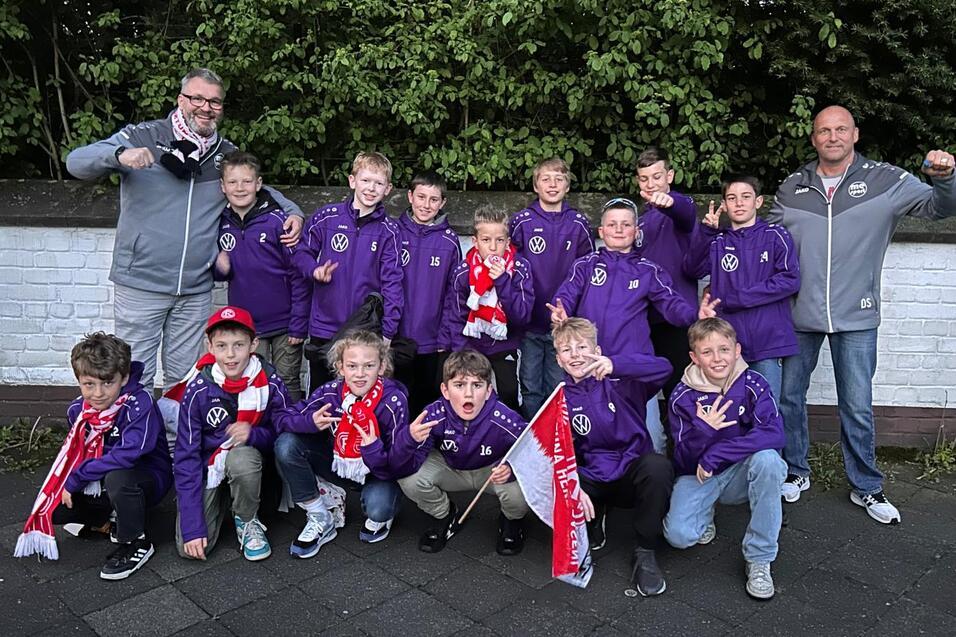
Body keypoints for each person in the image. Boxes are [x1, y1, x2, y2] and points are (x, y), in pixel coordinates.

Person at [65, 68, 303, 396]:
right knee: (135, 377)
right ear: (181, 100)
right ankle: (138, 447)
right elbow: (76, 162)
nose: (206, 107)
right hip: (141, 283)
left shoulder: (224, 153)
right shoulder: (143, 135)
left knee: (183, 381)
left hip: (194, 289)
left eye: (215, 102)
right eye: (198, 98)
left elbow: (253, 188)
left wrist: (294, 213)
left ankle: (178, 447)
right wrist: (119, 154)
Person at [769, 105, 956, 523]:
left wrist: (945, 179)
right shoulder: (792, 186)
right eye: (823, 131)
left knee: (856, 403)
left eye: (840, 129)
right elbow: (764, 243)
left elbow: (941, 208)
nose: (832, 137)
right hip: (798, 315)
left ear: (855, 134)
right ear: (814, 138)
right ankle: (795, 472)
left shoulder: (886, 181)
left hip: (857, 314)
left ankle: (867, 487)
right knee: (789, 397)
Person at [549, 198, 718, 451]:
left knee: (652, 443)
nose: (619, 229)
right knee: (588, 443)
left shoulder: (648, 270)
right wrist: (558, 311)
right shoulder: (585, 265)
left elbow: (672, 304)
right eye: (612, 224)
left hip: (632, 373)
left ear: (636, 231)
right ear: (601, 231)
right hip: (589, 370)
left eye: (626, 224)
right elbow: (565, 298)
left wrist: (696, 315)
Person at [14, 333, 172, 581]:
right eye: (89, 384)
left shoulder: (140, 404)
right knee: (52, 506)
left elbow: (128, 455)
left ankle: (137, 542)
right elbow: (76, 454)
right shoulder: (78, 410)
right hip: (103, 477)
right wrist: (65, 484)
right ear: (79, 381)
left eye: (108, 383)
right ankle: (107, 521)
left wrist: (78, 478)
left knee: (118, 478)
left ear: (125, 377)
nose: (98, 393)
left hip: (146, 477)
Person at [664, 318, 787, 599]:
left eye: (724, 349)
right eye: (707, 352)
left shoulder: (754, 383)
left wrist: (718, 452)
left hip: (739, 472)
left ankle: (759, 558)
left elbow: (774, 434)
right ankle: (705, 511)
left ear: (737, 350)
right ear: (694, 357)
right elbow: (682, 459)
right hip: (699, 473)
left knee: (769, 461)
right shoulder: (682, 395)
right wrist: (704, 430)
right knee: (679, 536)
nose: (717, 359)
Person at [552, 318, 674, 597]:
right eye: (566, 350)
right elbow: (556, 453)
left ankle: (645, 551)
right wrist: (572, 485)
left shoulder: (622, 381)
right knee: (562, 480)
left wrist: (617, 365)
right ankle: (594, 520)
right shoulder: (559, 400)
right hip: (593, 477)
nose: (576, 355)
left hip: (631, 473)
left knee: (658, 467)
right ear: (558, 360)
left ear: (597, 351)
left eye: (582, 346)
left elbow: (665, 368)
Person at [274, 330, 411, 557]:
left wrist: (373, 446)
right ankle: (321, 513)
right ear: (340, 368)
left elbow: (400, 460)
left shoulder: (393, 400)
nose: (360, 374)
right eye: (352, 366)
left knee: (378, 510)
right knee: (286, 444)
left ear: (382, 366)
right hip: (339, 465)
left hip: (377, 472)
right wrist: (309, 422)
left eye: (368, 366)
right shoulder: (331, 393)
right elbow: (280, 419)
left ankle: (380, 511)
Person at [172, 306, 293, 562]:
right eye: (222, 345)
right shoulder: (197, 390)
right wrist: (193, 526)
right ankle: (221, 497)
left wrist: (253, 434)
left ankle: (246, 519)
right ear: (210, 346)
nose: (230, 354)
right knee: (189, 549)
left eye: (239, 345)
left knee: (241, 458)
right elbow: (186, 456)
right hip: (210, 467)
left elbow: (285, 432)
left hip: (253, 466)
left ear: (254, 344)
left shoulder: (270, 381)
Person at [395, 350, 529, 555]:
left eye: (477, 385)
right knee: (410, 478)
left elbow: (530, 450)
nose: (469, 394)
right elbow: (406, 462)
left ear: (488, 390)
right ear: (445, 390)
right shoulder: (433, 414)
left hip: (491, 472)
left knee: (519, 492)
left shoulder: (505, 418)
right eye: (459, 385)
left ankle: (511, 520)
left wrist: (510, 467)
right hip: (452, 468)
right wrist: (409, 440)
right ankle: (445, 514)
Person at [293, 151, 403, 392]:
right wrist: (314, 270)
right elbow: (300, 254)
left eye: (378, 183)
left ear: (388, 189)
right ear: (352, 181)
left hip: (363, 331)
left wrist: (388, 331)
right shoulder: (326, 218)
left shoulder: (390, 231)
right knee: (321, 397)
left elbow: (393, 284)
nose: (371, 188)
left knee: (359, 398)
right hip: (325, 327)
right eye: (365, 180)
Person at [683, 173, 800, 398]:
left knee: (767, 408)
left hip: (768, 340)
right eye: (732, 198)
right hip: (727, 344)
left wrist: (738, 298)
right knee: (731, 409)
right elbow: (692, 270)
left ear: (758, 201)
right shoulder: (718, 241)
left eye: (746, 197)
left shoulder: (776, 236)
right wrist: (707, 233)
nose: (739, 203)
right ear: (724, 205)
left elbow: (790, 280)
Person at [214, 151, 310, 400]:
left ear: (258, 184)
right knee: (250, 382)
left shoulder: (279, 222)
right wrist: (219, 268)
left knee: (286, 381)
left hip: (284, 324)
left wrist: (298, 324)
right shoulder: (220, 222)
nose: (240, 188)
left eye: (246, 181)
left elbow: (299, 275)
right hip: (246, 326)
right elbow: (222, 272)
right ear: (223, 186)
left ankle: (289, 437)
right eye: (233, 182)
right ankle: (257, 435)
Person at [509, 157, 594, 419]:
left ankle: (559, 444)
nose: (552, 184)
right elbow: (509, 267)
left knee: (560, 386)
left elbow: (589, 272)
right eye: (546, 179)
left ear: (567, 186)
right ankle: (531, 443)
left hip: (565, 326)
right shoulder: (521, 222)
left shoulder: (578, 224)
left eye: (559, 179)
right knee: (531, 387)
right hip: (529, 324)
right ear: (536, 185)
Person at [441, 209, 535, 411]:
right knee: (471, 394)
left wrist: (502, 281)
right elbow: (456, 317)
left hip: (504, 343)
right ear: (475, 242)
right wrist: (461, 355)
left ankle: (509, 437)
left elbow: (522, 316)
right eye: (486, 240)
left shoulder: (520, 269)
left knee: (508, 392)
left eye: (500, 240)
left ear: (508, 242)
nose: (493, 247)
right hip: (472, 344)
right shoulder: (463, 271)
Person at [634, 147, 701, 403]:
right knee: (646, 392)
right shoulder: (640, 220)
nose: (651, 184)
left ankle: (683, 443)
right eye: (644, 178)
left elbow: (685, 212)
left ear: (670, 176)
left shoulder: (680, 207)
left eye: (657, 176)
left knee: (680, 391)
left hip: (677, 319)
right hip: (644, 319)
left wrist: (670, 202)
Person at [393, 171, 462, 415]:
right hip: (395, 337)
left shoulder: (449, 241)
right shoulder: (393, 232)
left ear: (442, 203)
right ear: (410, 196)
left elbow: (453, 295)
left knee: (425, 398)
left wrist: (445, 336)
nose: (426, 204)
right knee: (396, 397)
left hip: (432, 339)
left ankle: (424, 448)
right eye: (421, 197)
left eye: (434, 199)